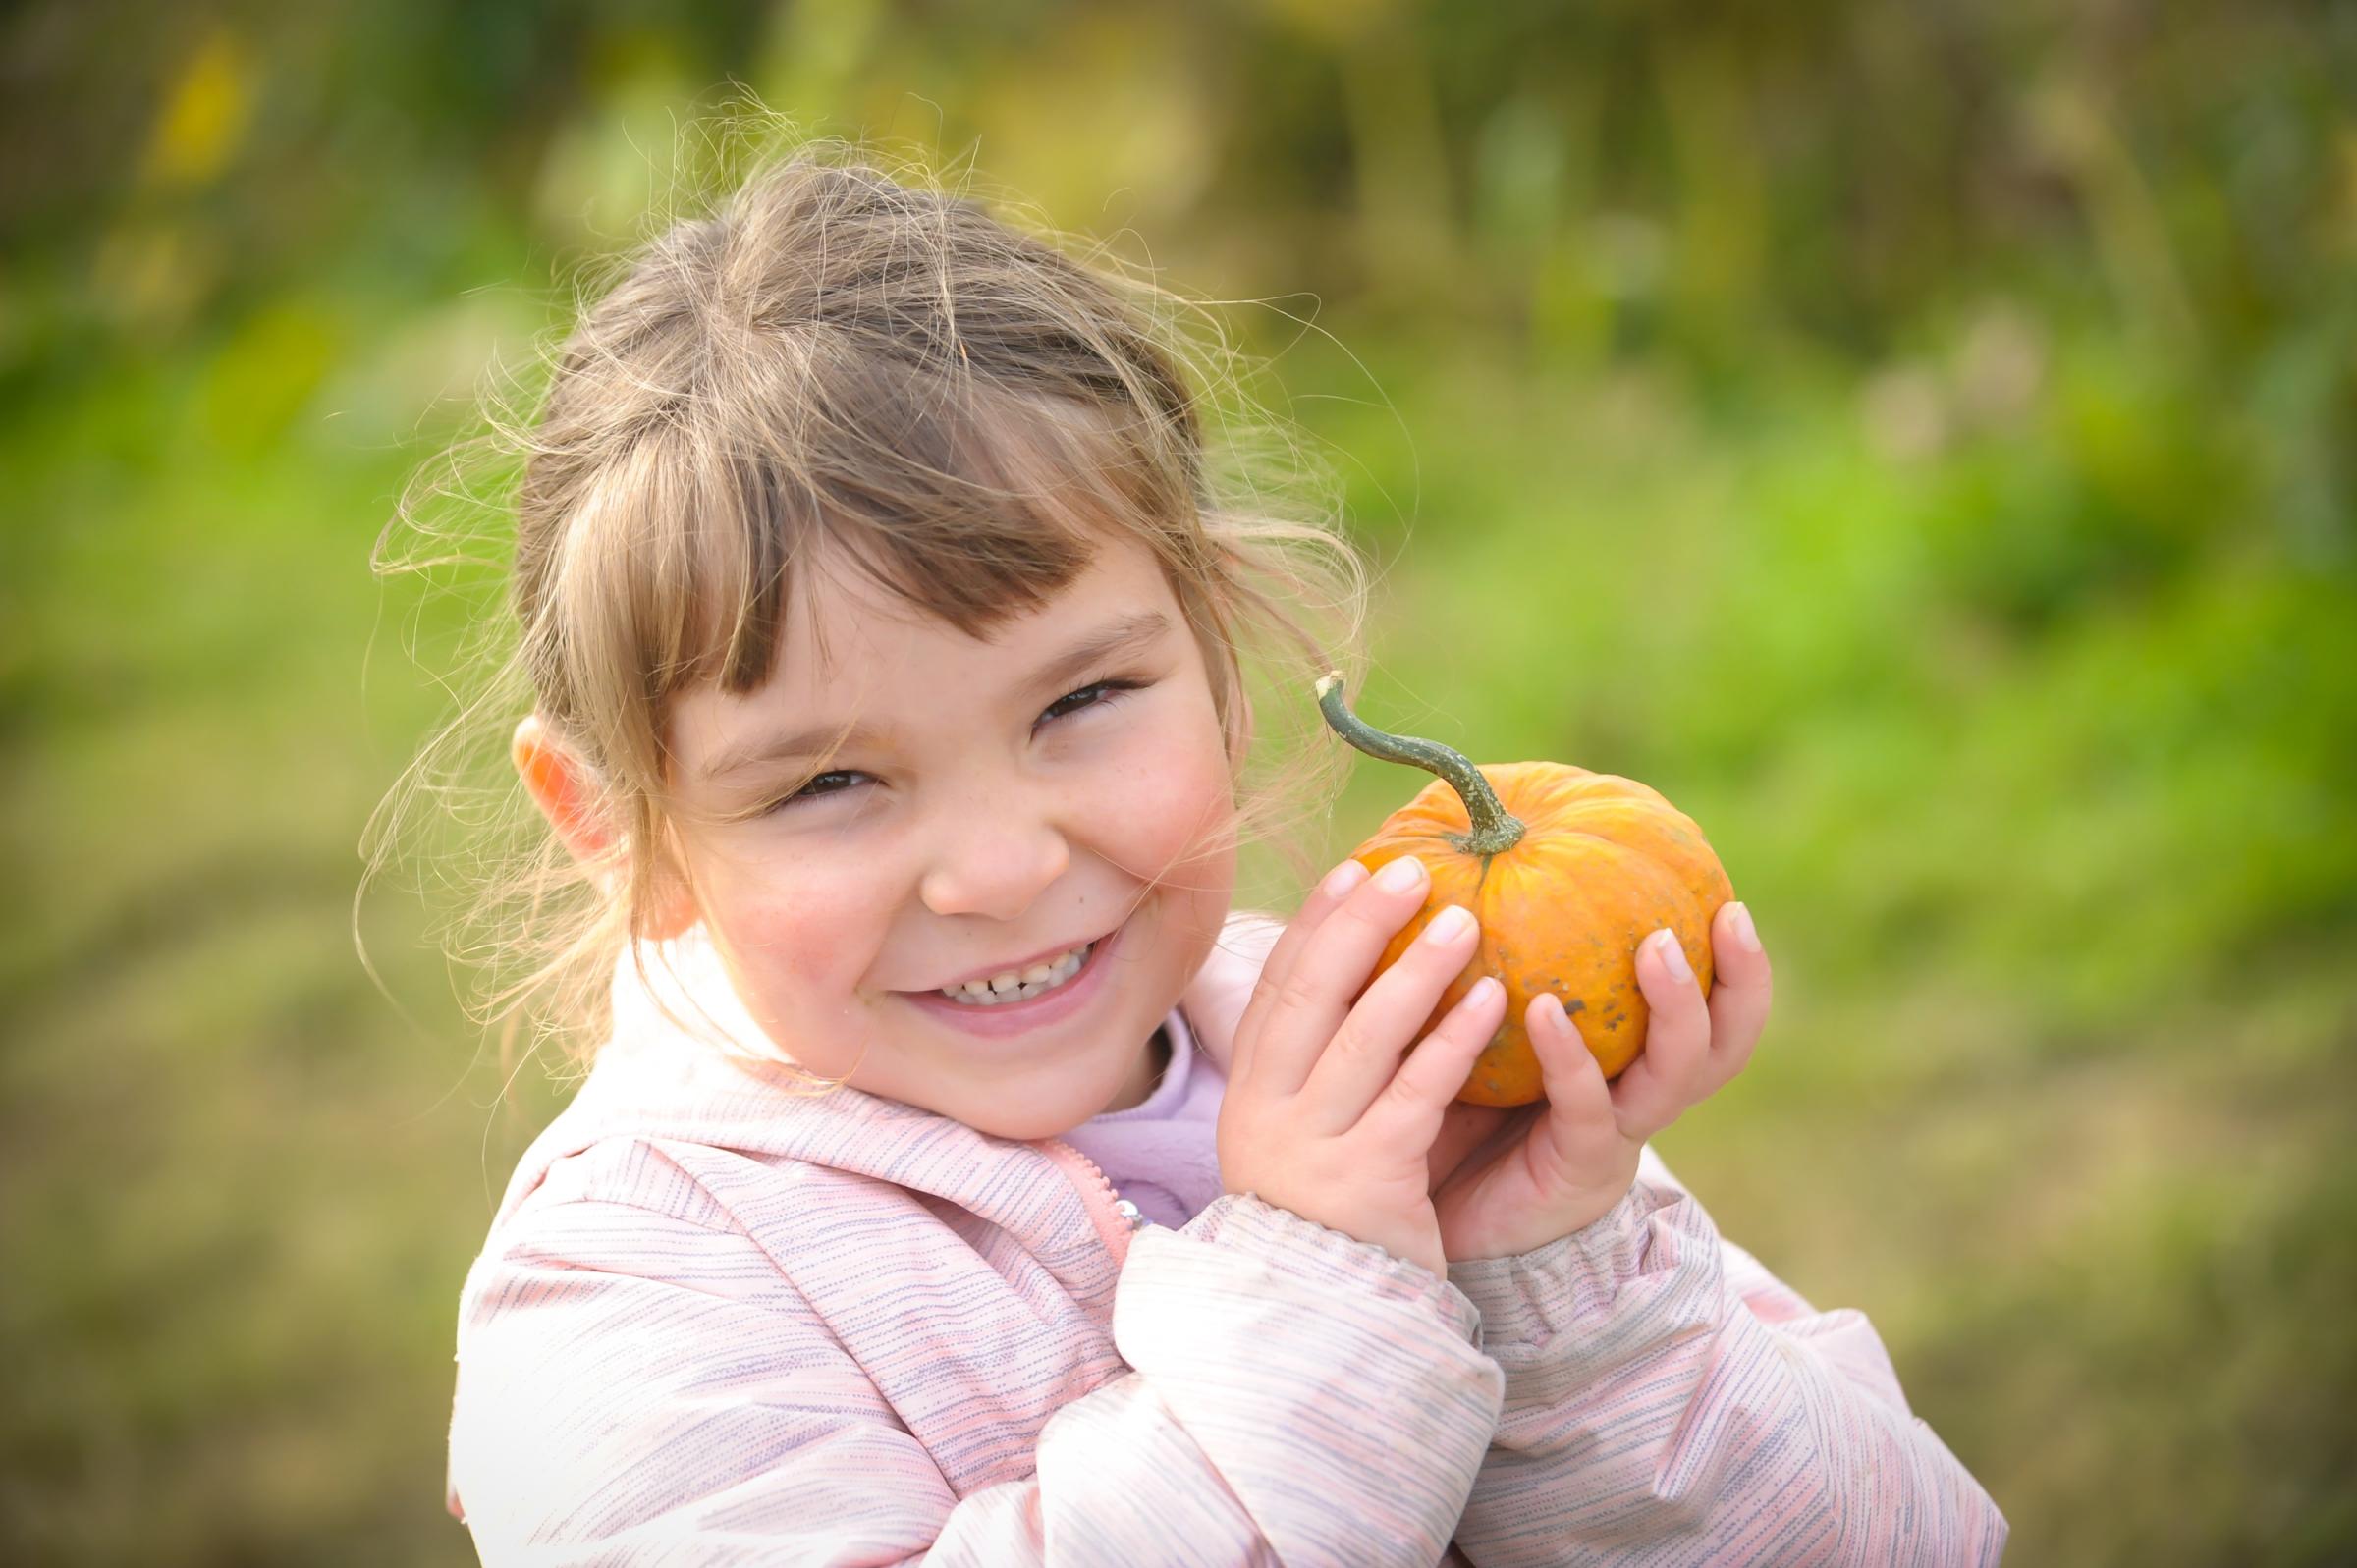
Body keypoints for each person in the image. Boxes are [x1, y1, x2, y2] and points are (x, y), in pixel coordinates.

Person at [416, 141, 2007, 1564]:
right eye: (832, 782)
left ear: (1221, 652)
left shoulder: (1387, 1075)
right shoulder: (624, 1281)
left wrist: (1557, 1288)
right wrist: (1320, 1289)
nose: (999, 868)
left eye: (1085, 699)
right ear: (624, 826)